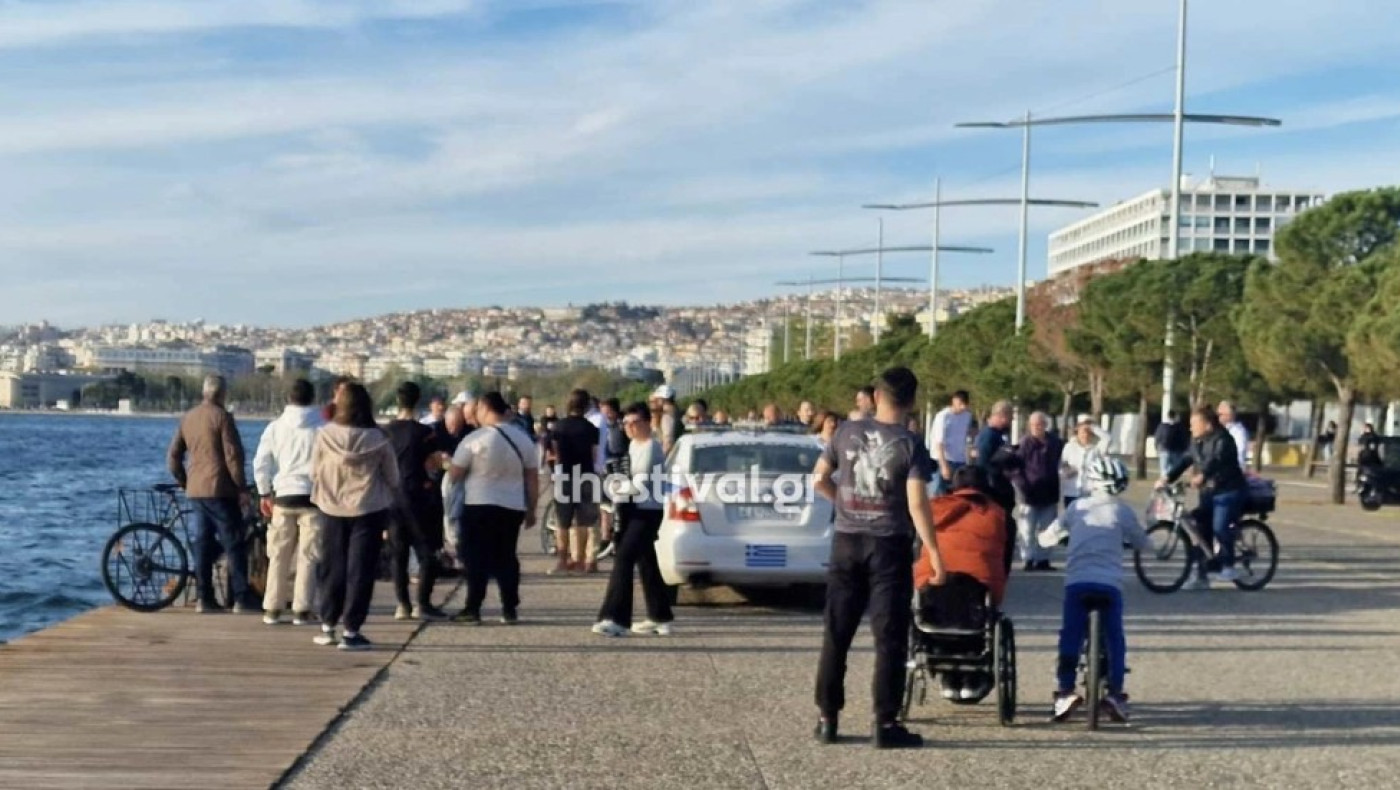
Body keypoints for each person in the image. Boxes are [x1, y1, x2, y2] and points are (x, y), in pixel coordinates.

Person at [813, 367, 944, 750]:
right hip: (888, 545)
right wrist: (935, 553)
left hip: (847, 540)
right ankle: (884, 723)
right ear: (912, 401)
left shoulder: (845, 432)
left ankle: (827, 718)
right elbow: (917, 502)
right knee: (888, 636)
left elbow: (818, 477)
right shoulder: (909, 443)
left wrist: (846, 504)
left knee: (837, 631)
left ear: (875, 396)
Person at [1038, 456, 1153, 724]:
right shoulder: (1122, 512)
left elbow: (1047, 538)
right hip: (1109, 585)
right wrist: (1139, 544)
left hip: (1078, 583)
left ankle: (1065, 690)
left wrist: (1045, 539)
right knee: (1115, 637)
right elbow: (1144, 543)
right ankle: (1115, 693)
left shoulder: (1077, 508)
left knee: (1071, 634)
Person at [310, 383, 401, 650]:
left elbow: (314, 471)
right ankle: (351, 629)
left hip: (331, 507)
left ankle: (327, 624)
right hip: (368, 508)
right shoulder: (379, 438)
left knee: (332, 567)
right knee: (360, 570)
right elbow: (393, 477)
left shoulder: (325, 435)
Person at [913, 465, 1007, 701]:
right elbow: (1003, 559)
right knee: (982, 605)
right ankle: (972, 677)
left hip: (933, 586)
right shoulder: (996, 513)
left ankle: (948, 674)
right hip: (975, 588)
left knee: (934, 603)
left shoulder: (933, 510)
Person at [167, 374, 258, 613]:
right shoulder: (222, 418)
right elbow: (233, 457)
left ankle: (204, 598)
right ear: (222, 394)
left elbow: (173, 457)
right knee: (234, 543)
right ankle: (241, 597)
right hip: (221, 489)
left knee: (203, 544)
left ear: (204, 391)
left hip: (196, 490)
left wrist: (183, 480)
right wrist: (241, 487)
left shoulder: (188, 418)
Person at [449, 391, 540, 625]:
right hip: (512, 505)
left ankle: (473, 608)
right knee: (507, 556)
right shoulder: (523, 439)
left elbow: (455, 474)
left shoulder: (475, 439)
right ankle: (509, 607)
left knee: (475, 558)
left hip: (478, 504)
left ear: (486, 409)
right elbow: (532, 478)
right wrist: (531, 509)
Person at [592, 402, 676, 638]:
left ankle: (615, 618)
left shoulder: (651, 447)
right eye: (625, 423)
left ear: (647, 422)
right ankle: (660, 616)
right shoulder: (634, 446)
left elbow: (639, 484)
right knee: (646, 562)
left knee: (624, 559)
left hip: (647, 511)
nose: (629, 427)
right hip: (633, 509)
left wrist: (615, 489)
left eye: (634, 422)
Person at [253, 378, 325, 625]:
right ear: (312, 398)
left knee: (278, 553)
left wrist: (264, 492)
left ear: (288, 399)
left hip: (283, 493)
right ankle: (301, 608)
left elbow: (261, 463)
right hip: (313, 496)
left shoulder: (275, 427)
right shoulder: (322, 427)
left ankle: (272, 607)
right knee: (308, 554)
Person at [1158, 406, 1246, 588]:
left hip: (1228, 491)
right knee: (1199, 530)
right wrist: (1168, 477)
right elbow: (1185, 459)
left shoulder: (1223, 440)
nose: (1191, 428)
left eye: (1194, 424)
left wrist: (1202, 476)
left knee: (1219, 526)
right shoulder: (1196, 441)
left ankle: (1229, 565)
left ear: (1207, 425)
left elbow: (1215, 460)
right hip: (1208, 492)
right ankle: (1201, 576)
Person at [384, 382, 448, 621]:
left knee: (398, 554)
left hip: (392, 497)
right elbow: (434, 463)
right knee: (427, 551)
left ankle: (402, 604)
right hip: (418, 496)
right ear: (418, 401)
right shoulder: (424, 433)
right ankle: (423, 602)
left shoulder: (386, 431)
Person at [545, 389, 601, 575]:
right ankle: (580, 562)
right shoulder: (591, 428)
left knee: (563, 522)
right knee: (583, 521)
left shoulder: (558, 427)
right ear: (586, 406)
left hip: (565, 475)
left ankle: (562, 562)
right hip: (586, 474)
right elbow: (594, 455)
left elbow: (554, 454)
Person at [1011, 412, 1064, 572]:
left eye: (1040, 424)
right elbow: (1015, 467)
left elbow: (1063, 460)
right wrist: (1022, 485)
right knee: (1026, 529)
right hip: (1029, 492)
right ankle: (1028, 559)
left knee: (1048, 528)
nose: (1037, 427)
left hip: (1049, 491)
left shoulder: (1055, 442)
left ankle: (1043, 559)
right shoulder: (1025, 443)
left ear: (1045, 425)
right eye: (1033, 425)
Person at [929, 390, 974, 497]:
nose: (962, 407)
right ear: (954, 401)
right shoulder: (943, 416)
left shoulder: (967, 416)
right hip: (943, 459)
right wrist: (943, 465)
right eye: (960, 404)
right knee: (939, 492)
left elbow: (968, 433)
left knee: (957, 492)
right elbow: (939, 443)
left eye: (965, 404)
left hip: (959, 459)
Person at [1060, 417, 1106, 509]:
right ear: (1077, 432)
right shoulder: (1069, 447)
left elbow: (1108, 439)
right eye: (1082, 432)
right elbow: (1061, 466)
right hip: (1072, 491)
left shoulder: (1096, 449)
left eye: (1088, 432)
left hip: (1089, 492)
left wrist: (1093, 427)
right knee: (1072, 520)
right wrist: (1067, 472)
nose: (1085, 435)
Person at [650, 385, 684, 454]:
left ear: (661, 399)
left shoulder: (667, 415)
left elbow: (668, 441)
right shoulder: (675, 411)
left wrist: (662, 457)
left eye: (657, 399)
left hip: (669, 455)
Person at [1216, 401, 1250, 470]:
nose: (1218, 417)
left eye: (1220, 414)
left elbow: (1240, 452)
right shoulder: (1220, 430)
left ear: (1229, 415)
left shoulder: (1238, 432)